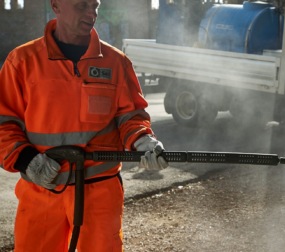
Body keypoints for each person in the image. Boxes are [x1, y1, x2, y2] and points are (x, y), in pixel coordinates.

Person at [0, 0, 168, 251]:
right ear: (56, 6)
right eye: (82, 6)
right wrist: (26, 160)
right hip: (43, 187)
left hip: (99, 190)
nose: (92, 14)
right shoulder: (22, 61)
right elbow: (4, 122)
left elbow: (130, 115)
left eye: (95, 5)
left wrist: (142, 139)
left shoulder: (116, 63)